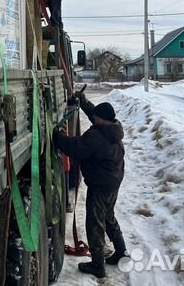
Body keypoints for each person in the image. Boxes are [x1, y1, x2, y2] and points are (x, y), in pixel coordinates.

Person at [53, 93, 128, 278]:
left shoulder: (96, 136)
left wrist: (58, 135)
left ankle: (97, 265)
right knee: (109, 217)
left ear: (102, 120)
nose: (93, 118)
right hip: (113, 180)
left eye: (96, 117)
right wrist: (84, 103)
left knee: (95, 224)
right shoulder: (113, 128)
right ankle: (121, 252)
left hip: (100, 185)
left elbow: (75, 147)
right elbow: (96, 114)